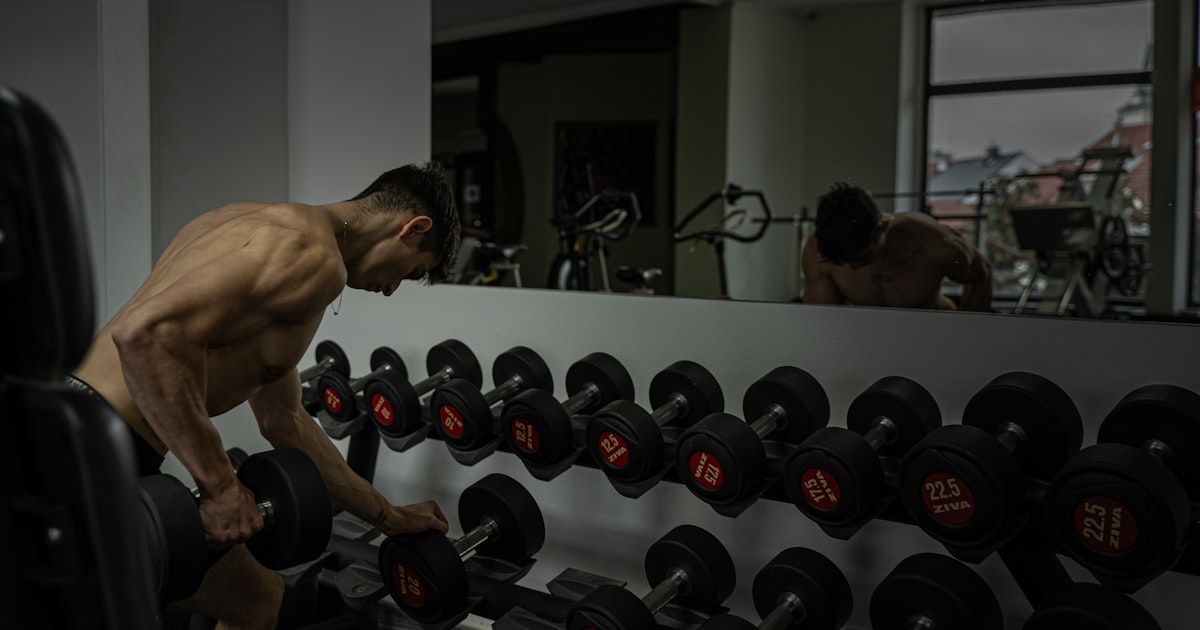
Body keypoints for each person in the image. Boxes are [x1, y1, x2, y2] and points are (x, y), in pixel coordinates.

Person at [68, 162, 461, 628]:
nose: (392, 289)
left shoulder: (245, 221)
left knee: (255, 600)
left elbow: (285, 420)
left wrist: (387, 516)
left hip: (79, 428)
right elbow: (144, 336)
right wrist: (220, 487)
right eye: (411, 271)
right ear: (412, 228)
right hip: (92, 458)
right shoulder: (314, 258)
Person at [802, 183, 992, 312]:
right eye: (845, 261)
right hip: (869, 337)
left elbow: (980, 276)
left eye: (862, 258)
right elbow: (822, 320)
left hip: (930, 331)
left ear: (881, 229)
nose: (853, 268)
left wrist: (966, 338)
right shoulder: (820, 250)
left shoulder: (935, 244)